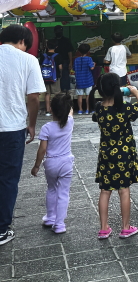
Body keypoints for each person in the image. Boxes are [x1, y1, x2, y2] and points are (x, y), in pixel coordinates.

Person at [0, 25, 46, 246]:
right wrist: (32, 124)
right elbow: (34, 97)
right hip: (12, 128)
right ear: (23, 41)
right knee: (8, 178)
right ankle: (1, 229)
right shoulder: (28, 60)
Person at [90, 73, 138, 239]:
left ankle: (103, 228)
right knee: (124, 190)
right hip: (123, 155)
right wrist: (135, 93)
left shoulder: (99, 108)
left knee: (105, 191)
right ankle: (125, 227)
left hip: (106, 155)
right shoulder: (123, 108)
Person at [30, 92, 74, 234]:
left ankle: (50, 217)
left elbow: (42, 149)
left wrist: (37, 165)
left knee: (51, 189)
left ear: (51, 109)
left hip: (51, 163)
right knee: (63, 193)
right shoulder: (70, 122)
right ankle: (59, 224)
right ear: (67, 110)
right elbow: (70, 111)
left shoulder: (47, 128)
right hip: (66, 163)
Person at [73, 43, 95, 115]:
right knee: (88, 95)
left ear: (79, 51)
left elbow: (73, 69)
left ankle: (80, 110)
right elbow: (91, 68)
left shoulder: (76, 59)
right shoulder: (89, 59)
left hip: (79, 80)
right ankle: (87, 109)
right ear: (88, 51)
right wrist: (94, 64)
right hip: (88, 80)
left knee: (80, 96)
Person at [40, 40, 59, 117]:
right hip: (55, 77)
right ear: (56, 47)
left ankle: (47, 111)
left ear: (47, 47)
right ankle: (55, 110)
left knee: (47, 94)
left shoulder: (43, 55)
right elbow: (60, 67)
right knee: (56, 94)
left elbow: (40, 65)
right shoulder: (57, 55)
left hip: (45, 77)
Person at [53, 26, 73, 93]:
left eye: (59, 31)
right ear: (55, 32)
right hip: (55, 62)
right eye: (57, 31)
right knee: (57, 76)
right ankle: (58, 90)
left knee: (65, 76)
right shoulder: (53, 41)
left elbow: (70, 51)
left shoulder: (66, 40)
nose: (58, 32)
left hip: (65, 61)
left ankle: (66, 91)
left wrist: (70, 62)